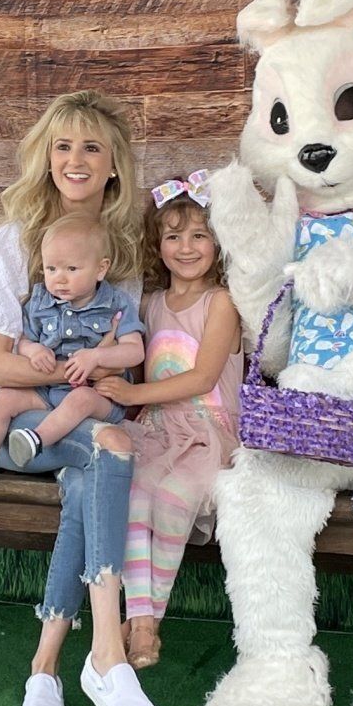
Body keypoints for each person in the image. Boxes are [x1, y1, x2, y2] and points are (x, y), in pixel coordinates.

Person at [0, 93, 163, 706]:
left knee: (98, 457)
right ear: (45, 158)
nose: (74, 160)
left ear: (113, 166)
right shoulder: (13, 241)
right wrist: (72, 372)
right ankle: (105, 655)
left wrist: (88, 375)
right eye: (62, 146)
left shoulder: (123, 253)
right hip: (16, 421)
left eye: (90, 148)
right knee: (109, 445)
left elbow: (124, 367)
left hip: (76, 416)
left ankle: (46, 666)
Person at [99, 180, 242, 672]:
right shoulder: (152, 305)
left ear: (218, 242)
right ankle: (143, 624)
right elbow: (135, 361)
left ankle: (143, 622)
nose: (187, 248)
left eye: (200, 236)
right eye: (174, 237)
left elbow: (202, 377)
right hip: (157, 430)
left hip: (206, 433)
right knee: (135, 498)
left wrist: (133, 395)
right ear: (156, 245)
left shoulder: (220, 303)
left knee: (174, 503)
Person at [0, 211, 144, 481]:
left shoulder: (115, 304)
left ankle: (35, 440)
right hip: (46, 393)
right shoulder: (39, 303)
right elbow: (22, 341)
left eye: (72, 269)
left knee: (79, 399)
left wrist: (97, 357)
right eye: (51, 269)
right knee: (5, 397)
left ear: (101, 269)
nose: (60, 278)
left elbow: (134, 351)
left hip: (97, 396)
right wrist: (32, 351)